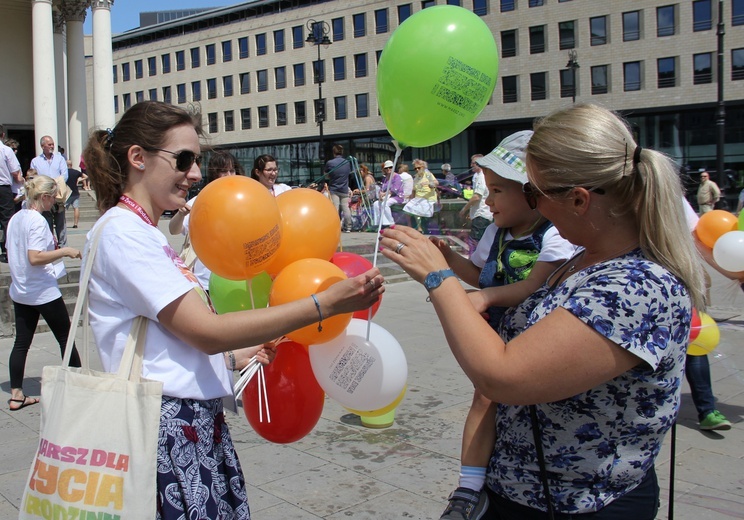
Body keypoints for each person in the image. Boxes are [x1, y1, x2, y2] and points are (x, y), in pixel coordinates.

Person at [381, 103, 705, 518]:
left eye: (534, 192)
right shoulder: (586, 258)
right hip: (529, 491)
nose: (532, 204)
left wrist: (438, 279)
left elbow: (503, 377)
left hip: (577, 503)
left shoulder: (636, 287)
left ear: (579, 199)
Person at [82, 101, 384, 519]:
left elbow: (172, 339)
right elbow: (205, 330)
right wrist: (322, 304)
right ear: (138, 157)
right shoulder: (122, 233)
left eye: (197, 161)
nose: (194, 174)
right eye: (183, 159)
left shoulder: (140, 233)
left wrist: (232, 357)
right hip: (168, 430)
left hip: (186, 424)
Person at [435, 132, 576, 519]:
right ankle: (467, 486)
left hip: (536, 334)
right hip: (496, 333)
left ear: (533, 195)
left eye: (498, 190)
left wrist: (484, 298)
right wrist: (445, 258)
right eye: (488, 189)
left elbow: (534, 286)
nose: (489, 200)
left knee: (520, 400)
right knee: (485, 395)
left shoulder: (555, 235)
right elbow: (479, 274)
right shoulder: (496, 232)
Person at [6, 175, 82, 411]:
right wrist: (65, 251)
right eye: (54, 199)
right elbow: (35, 257)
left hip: (21, 289)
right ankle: (78, 387)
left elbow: (14, 252)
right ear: (45, 197)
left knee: (21, 343)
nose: (55, 204)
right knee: (65, 338)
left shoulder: (16, 218)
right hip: (42, 290)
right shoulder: (37, 221)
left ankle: (16, 394)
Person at [169, 150, 245, 289]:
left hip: (235, 277)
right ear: (214, 174)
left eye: (232, 170)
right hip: (204, 280)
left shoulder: (245, 200)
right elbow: (174, 230)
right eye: (224, 171)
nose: (229, 175)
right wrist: (180, 214)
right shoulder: (201, 200)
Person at [30, 135, 68, 247]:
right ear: (42, 146)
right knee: (47, 221)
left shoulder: (60, 159)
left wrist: (54, 185)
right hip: (44, 195)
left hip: (58, 194)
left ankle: (62, 245)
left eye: (52, 144)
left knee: (60, 221)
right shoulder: (35, 161)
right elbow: (34, 177)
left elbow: (64, 175)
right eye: (49, 144)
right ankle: (50, 243)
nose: (52, 146)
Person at [459, 154, 493, 256]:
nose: (471, 165)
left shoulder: (482, 176)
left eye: (473, 163)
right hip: (479, 214)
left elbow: (477, 197)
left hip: (482, 215)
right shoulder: (477, 176)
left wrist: (464, 209)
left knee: (476, 243)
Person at [0, 124, 23, 263]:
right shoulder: (6, 150)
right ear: (3, 135)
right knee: (7, 220)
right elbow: (15, 172)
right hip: (3, 188)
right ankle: (9, 251)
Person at [403, 159, 439, 234]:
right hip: (418, 198)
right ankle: (410, 227)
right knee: (407, 208)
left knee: (417, 208)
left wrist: (430, 184)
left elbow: (436, 183)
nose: (417, 170)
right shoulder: (416, 177)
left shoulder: (428, 174)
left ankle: (419, 227)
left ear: (423, 167)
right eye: (415, 168)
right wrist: (409, 197)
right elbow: (414, 190)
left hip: (427, 198)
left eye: (418, 168)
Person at [325, 144, 353, 232]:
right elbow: (349, 173)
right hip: (344, 188)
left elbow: (326, 175)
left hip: (334, 189)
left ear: (333, 152)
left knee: (335, 209)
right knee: (346, 208)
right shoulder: (347, 162)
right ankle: (348, 227)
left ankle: (336, 227)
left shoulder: (330, 163)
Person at [372, 160, 404, 228]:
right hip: (386, 197)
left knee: (385, 204)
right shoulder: (385, 178)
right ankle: (379, 223)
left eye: (390, 167)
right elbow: (382, 188)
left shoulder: (397, 177)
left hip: (397, 197)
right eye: (386, 168)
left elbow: (395, 189)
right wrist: (380, 194)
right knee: (376, 204)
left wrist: (384, 194)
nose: (388, 169)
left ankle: (391, 222)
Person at [64, 159, 87, 229]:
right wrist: (80, 180)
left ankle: (62, 223)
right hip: (75, 193)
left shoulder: (64, 172)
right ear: (71, 165)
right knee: (76, 208)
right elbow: (86, 176)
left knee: (63, 209)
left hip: (67, 193)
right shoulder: (76, 172)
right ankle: (75, 223)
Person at [5, 138, 23, 213]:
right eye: (13, 149)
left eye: (16, 149)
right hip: (15, 191)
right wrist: (25, 180)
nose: (16, 151)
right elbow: (17, 178)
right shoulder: (12, 161)